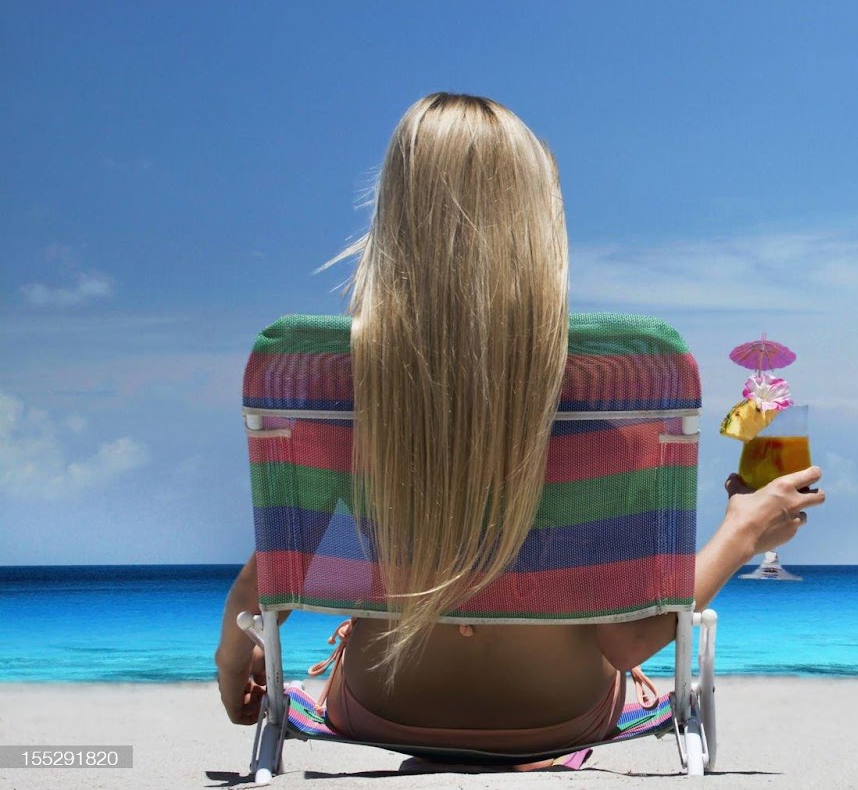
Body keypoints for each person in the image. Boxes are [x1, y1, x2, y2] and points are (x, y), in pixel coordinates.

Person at [214, 92, 823, 755]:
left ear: (392, 219)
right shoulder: (608, 390)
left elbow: (284, 563)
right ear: (540, 225)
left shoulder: (337, 385)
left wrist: (231, 654)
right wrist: (743, 530)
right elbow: (627, 643)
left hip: (382, 704)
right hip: (558, 713)